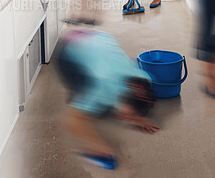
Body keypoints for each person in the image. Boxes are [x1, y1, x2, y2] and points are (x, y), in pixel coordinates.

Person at [57, 28, 159, 169]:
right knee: (90, 111)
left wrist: (137, 116)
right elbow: (70, 121)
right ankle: (82, 101)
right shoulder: (103, 87)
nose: (128, 119)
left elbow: (137, 98)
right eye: (129, 115)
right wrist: (103, 148)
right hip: (68, 52)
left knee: (104, 106)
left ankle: (88, 103)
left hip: (94, 37)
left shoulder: (143, 78)